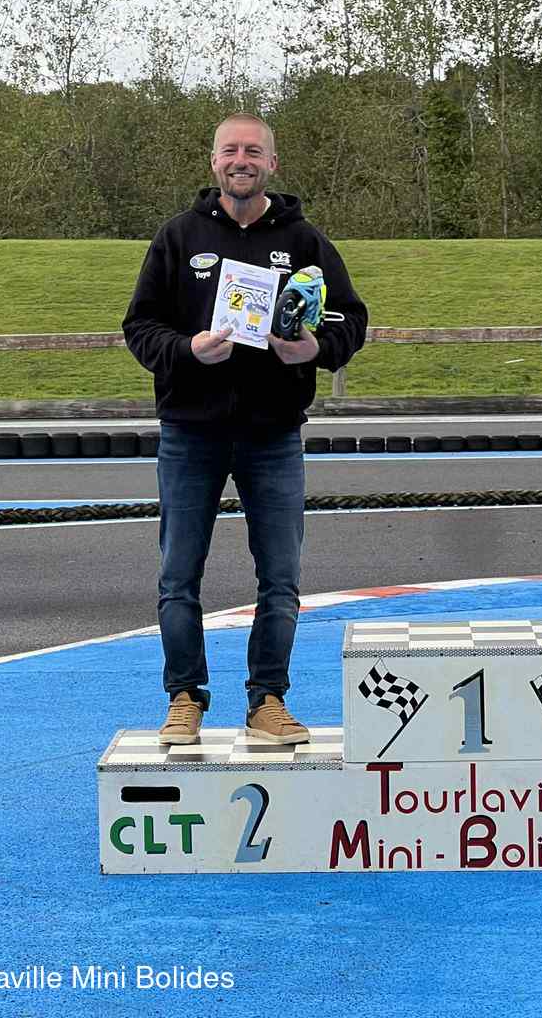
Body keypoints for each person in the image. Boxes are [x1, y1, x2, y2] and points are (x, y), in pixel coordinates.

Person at [123, 113, 367, 746]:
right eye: (230, 150)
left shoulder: (305, 241)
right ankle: (184, 698)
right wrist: (188, 350)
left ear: (272, 163)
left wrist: (313, 350)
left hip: (273, 434)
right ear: (214, 162)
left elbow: (351, 321)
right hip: (190, 433)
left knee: (280, 578)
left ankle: (267, 701)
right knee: (179, 575)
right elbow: (140, 327)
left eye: (253, 151)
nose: (241, 160)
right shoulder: (178, 237)